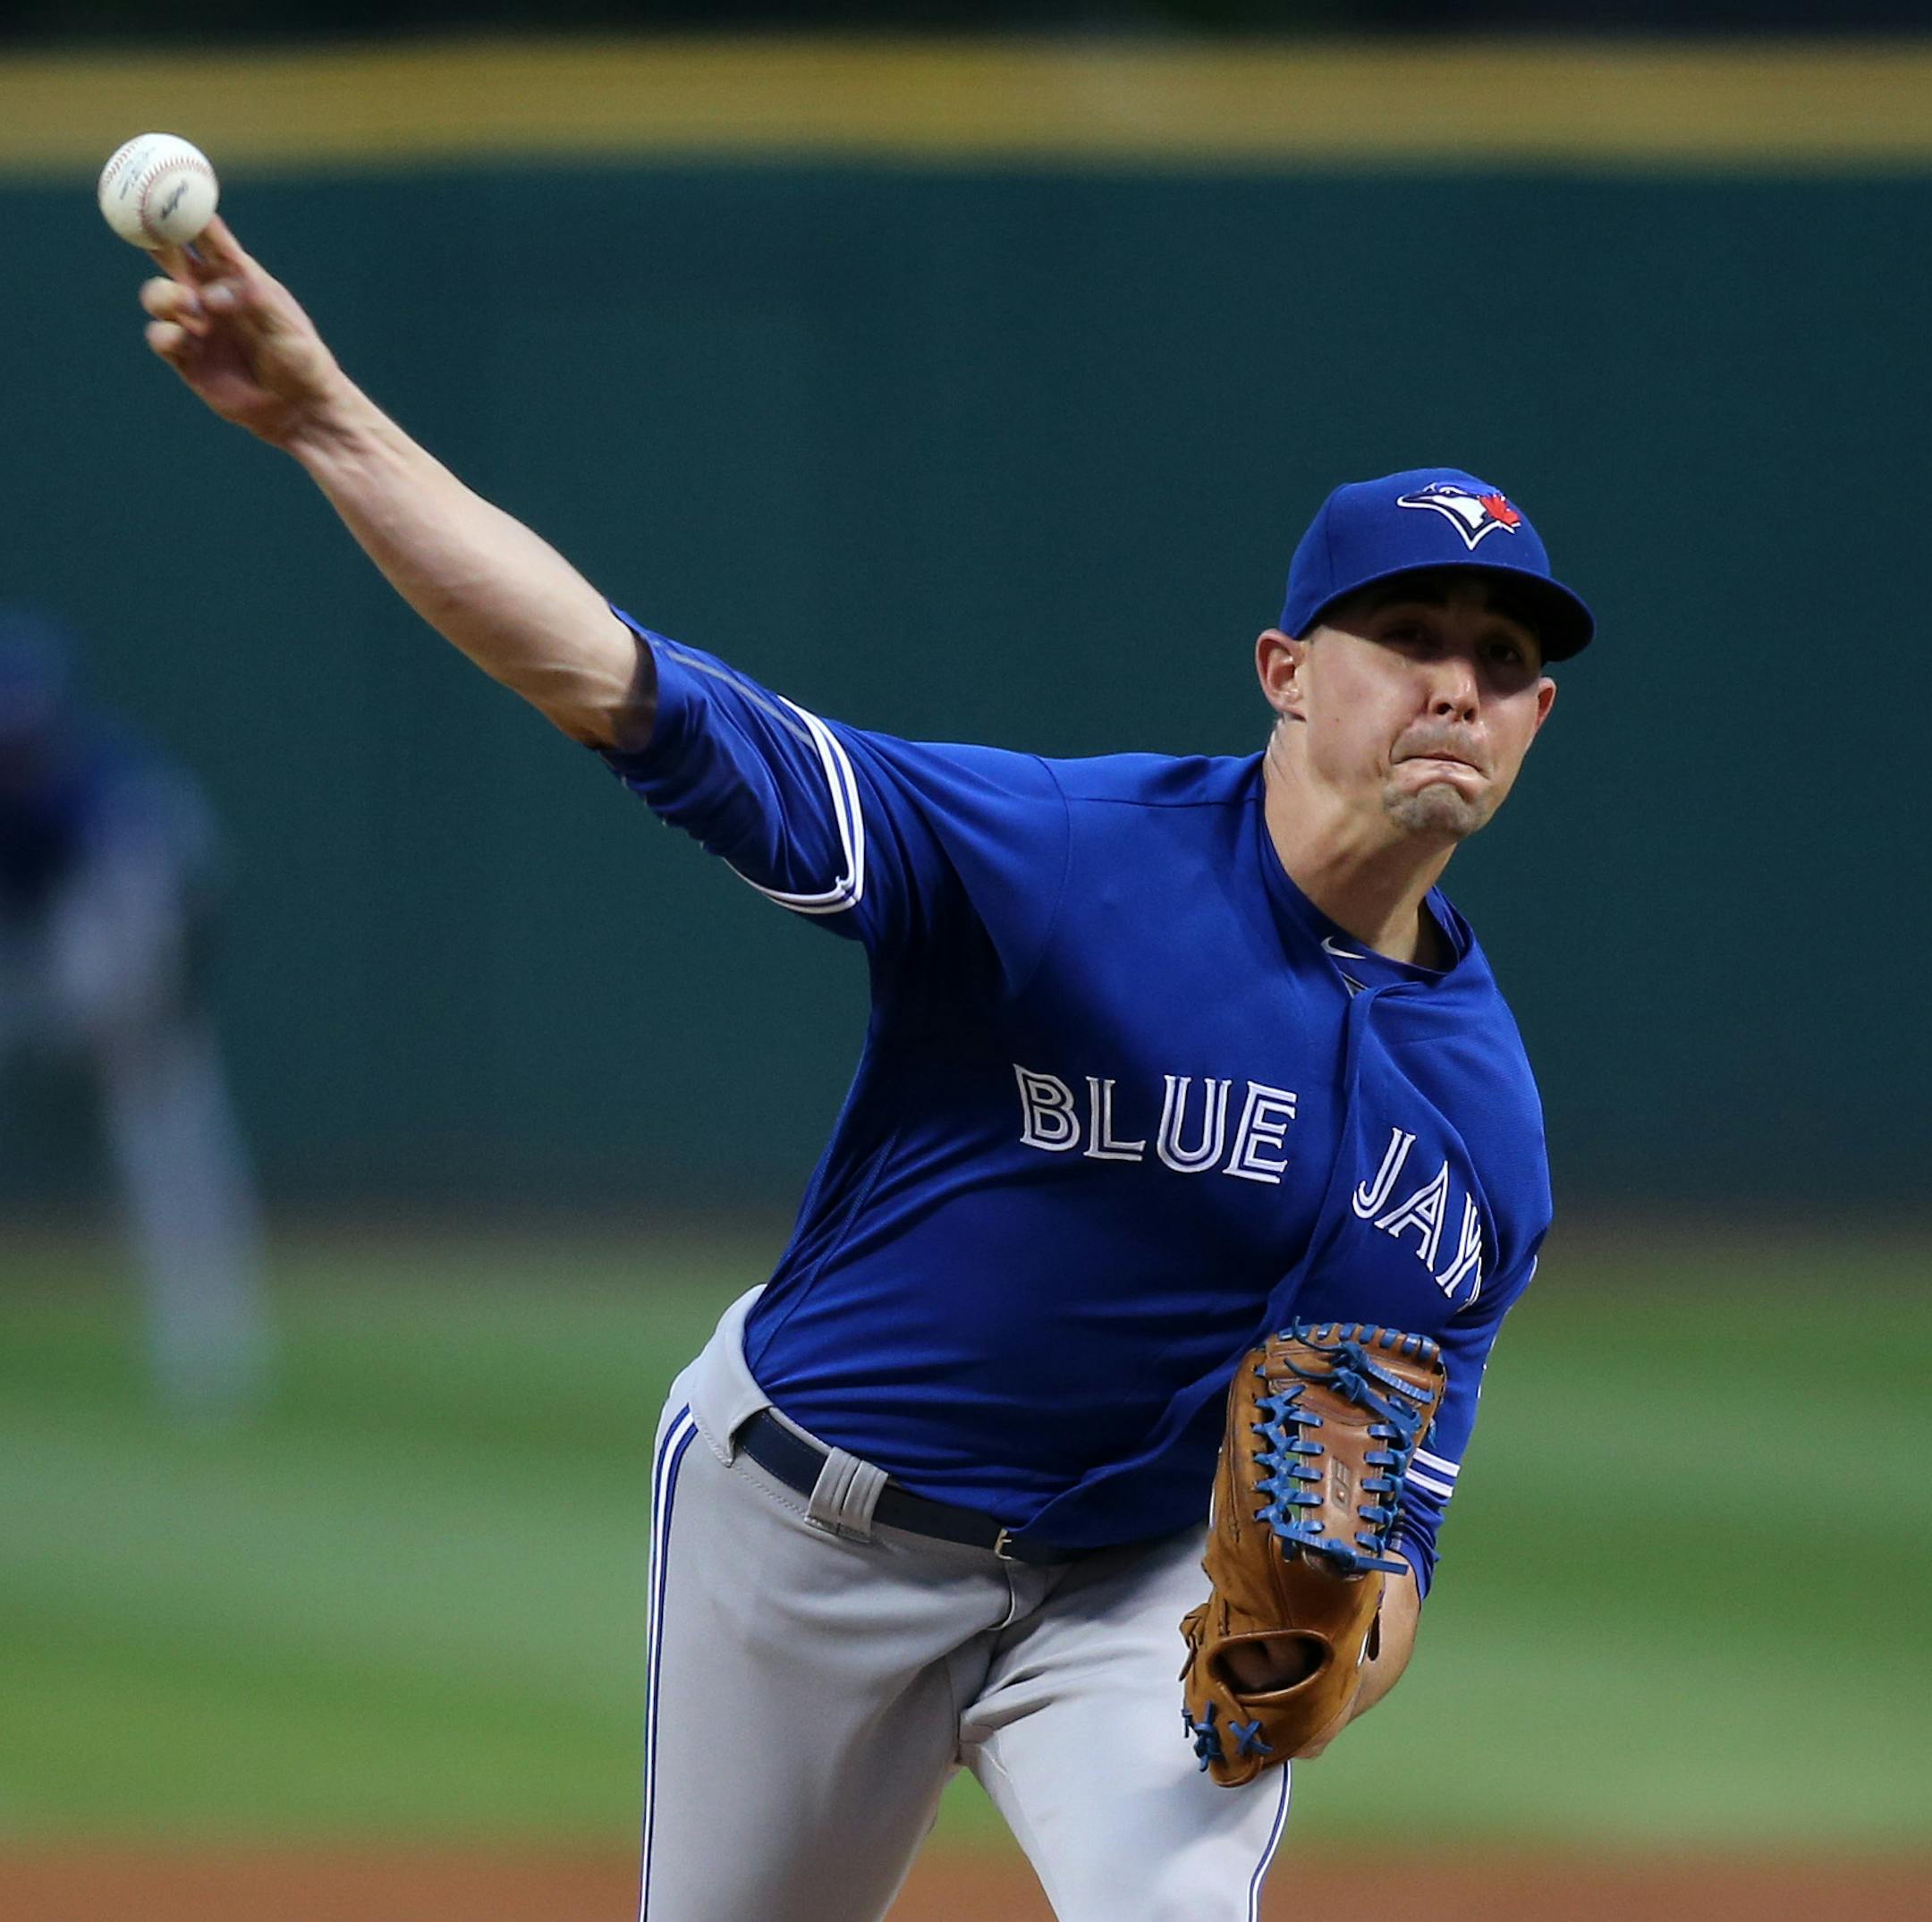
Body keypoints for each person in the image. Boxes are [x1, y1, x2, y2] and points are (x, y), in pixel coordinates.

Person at [135, 219, 1589, 1921]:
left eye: (1503, 661)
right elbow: (623, 683)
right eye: (1408, 630)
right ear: (1283, 672)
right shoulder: (1059, 861)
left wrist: (1329, 1651)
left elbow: (1394, 1538)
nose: (1456, 685)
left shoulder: (1483, 1128)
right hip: (811, 1524)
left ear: (1536, 722)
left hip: (1130, 1591)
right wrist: (328, 422)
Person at [0, 606, 268, 1420]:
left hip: (126, 968)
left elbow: (171, 920)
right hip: (36, 958)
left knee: (167, 1133)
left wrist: (132, 1021)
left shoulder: (113, 793)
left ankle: (210, 1348)